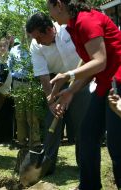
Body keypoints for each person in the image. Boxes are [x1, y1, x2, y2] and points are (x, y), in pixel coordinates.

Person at [47, 0, 121, 189]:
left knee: (117, 144)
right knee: (87, 134)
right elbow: (91, 67)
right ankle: (89, 186)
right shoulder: (73, 26)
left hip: (118, 83)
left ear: (59, 5)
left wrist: (67, 75)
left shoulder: (86, 21)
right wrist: (70, 91)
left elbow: (100, 62)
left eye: (49, 8)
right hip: (105, 84)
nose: (50, 14)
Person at [26, 12, 91, 176]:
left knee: (83, 125)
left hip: (81, 80)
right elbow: (43, 74)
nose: (37, 41)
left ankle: (84, 164)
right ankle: (47, 164)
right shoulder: (36, 45)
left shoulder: (68, 30)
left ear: (49, 29)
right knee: (51, 125)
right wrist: (52, 102)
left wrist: (72, 86)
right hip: (55, 83)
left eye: (39, 37)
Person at [8, 39, 42, 149]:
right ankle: (21, 141)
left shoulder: (35, 47)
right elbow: (9, 67)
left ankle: (35, 141)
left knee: (32, 114)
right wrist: (14, 75)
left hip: (32, 83)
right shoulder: (13, 50)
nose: (25, 34)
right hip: (17, 83)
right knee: (19, 113)